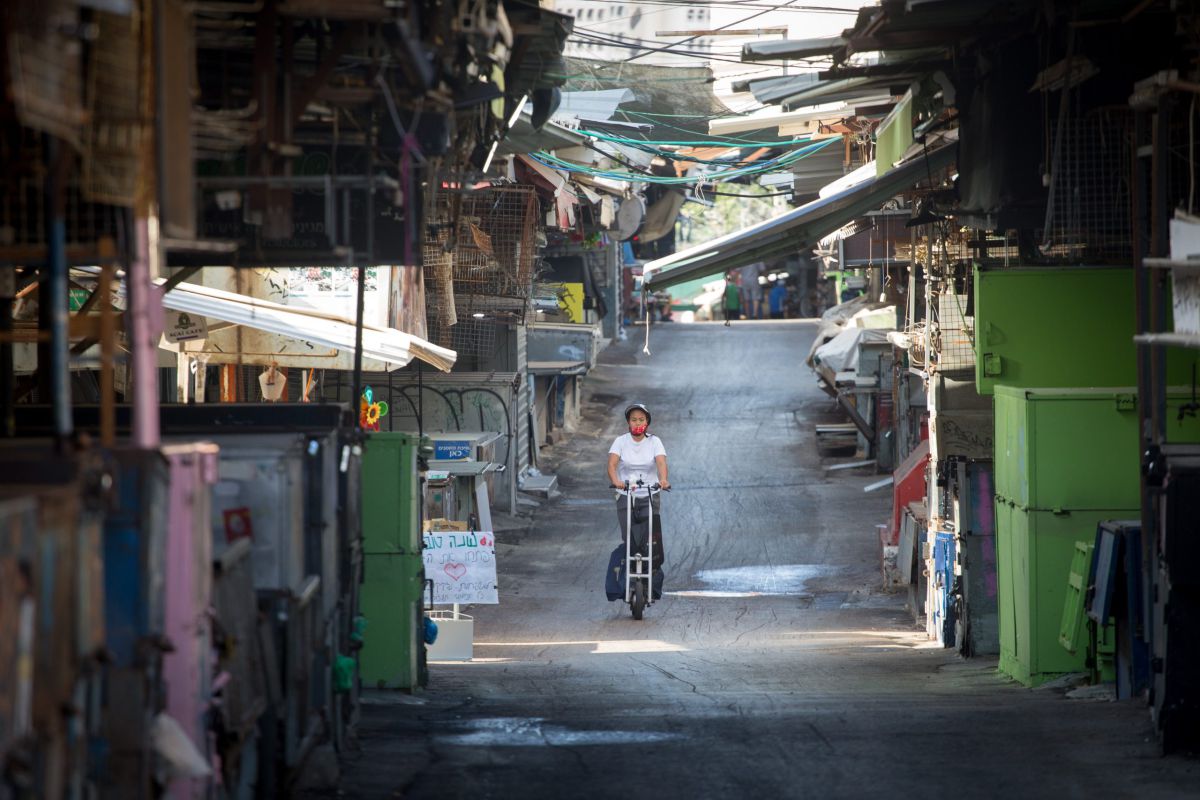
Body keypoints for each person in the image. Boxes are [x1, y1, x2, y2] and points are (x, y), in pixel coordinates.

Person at [607, 403, 670, 571]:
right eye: (634, 419)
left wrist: (663, 480)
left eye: (641, 419)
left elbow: (661, 463)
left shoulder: (655, 441)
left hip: (650, 494)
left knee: (649, 537)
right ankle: (630, 571)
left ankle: (650, 571)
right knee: (629, 537)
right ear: (628, 422)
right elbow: (612, 465)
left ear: (647, 422)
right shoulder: (620, 441)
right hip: (626, 494)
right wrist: (616, 481)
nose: (637, 423)